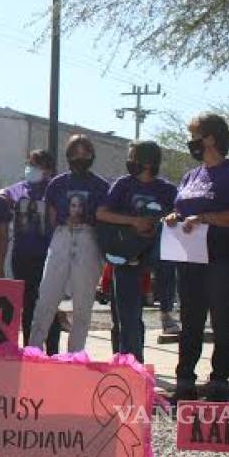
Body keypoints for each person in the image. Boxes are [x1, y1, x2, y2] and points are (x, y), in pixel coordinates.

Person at [163, 113, 229, 403]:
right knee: (190, 320)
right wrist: (175, 218)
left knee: (222, 320)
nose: (191, 142)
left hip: (223, 258)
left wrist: (205, 217)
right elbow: (181, 208)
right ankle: (185, 380)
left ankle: (219, 382)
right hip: (190, 258)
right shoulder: (192, 175)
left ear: (211, 138)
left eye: (195, 135)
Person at [95, 141, 177, 362]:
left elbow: (178, 217)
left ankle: (166, 308)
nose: (129, 162)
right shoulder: (123, 185)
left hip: (155, 254)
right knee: (128, 317)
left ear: (148, 162)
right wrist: (134, 221)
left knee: (167, 250)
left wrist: (165, 220)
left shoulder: (167, 190)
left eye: (133, 157)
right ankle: (132, 364)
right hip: (128, 256)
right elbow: (102, 213)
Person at [28, 135, 109, 354]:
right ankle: (34, 350)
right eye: (75, 153)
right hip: (62, 235)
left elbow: (102, 218)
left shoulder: (100, 185)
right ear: (68, 156)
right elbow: (51, 217)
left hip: (87, 238)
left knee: (83, 304)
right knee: (46, 298)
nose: (80, 158)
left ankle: (75, 355)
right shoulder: (58, 183)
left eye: (85, 153)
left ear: (92, 156)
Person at [0, 150, 62, 353]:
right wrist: (1, 196)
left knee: (48, 304)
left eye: (37, 165)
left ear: (48, 170)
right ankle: (30, 349)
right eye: (30, 164)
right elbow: (2, 196)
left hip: (48, 257)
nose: (32, 169)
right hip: (22, 256)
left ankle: (53, 351)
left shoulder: (53, 190)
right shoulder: (18, 189)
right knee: (27, 305)